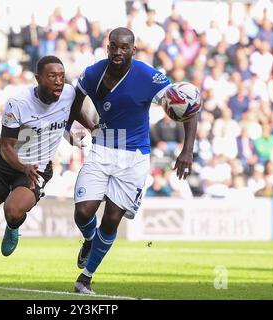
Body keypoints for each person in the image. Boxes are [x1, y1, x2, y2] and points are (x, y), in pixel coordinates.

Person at [68, 27, 198, 294]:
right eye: (113, 46)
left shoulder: (148, 76)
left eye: (124, 47)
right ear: (108, 47)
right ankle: (89, 239)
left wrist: (187, 149)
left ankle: (86, 277)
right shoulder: (92, 73)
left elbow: (187, 106)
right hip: (103, 148)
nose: (118, 52)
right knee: (83, 211)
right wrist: (87, 126)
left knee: (112, 219)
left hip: (134, 156)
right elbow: (73, 103)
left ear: (133, 50)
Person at [0, 56, 90, 291]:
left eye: (61, 76)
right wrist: (23, 166)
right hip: (7, 162)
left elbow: (68, 117)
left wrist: (78, 132)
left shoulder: (68, 93)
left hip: (37, 168)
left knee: (13, 211)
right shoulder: (18, 102)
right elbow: (6, 146)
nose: (58, 81)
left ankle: (13, 227)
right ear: (38, 79)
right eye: (52, 76)